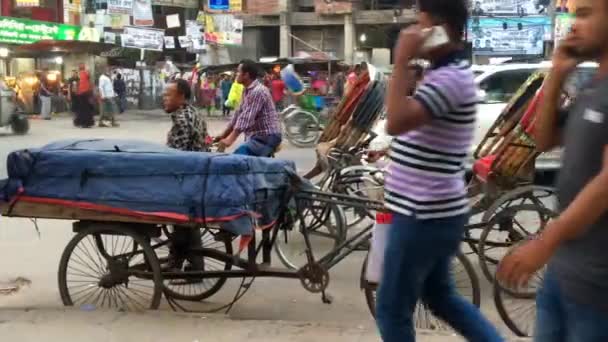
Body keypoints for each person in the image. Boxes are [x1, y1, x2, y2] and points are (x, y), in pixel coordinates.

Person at [375, 0, 503, 341]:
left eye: (421, 25)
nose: (414, 34)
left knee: (391, 308)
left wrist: (401, 60)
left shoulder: (451, 79)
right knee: (440, 297)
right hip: (431, 210)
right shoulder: (444, 73)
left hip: (423, 212)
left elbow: (397, 122)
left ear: (440, 28)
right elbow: (418, 133)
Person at [497, 0, 608, 340]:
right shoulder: (592, 88)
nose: (574, 25)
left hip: (598, 292)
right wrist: (557, 74)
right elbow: (544, 140)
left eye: (586, 14)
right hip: (562, 276)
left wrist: (546, 241)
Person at [163, 79, 210, 272]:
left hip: (188, 178)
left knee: (179, 217)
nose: (165, 98)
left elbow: (176, 156)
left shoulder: (182, 119)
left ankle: (176, 259)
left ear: (181, 97)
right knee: (188, 222)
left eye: (169, 95)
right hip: (198, 176)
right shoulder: (193, 113)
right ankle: (194, 264)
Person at [216, 59, 282, 157]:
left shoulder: (258, 91)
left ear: (246, 75)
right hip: (256, 136)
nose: (236, 74)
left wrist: (230, 140)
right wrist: (223, 135)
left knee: (238, 158)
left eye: (238, 72)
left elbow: (246, 118)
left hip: (266, 136)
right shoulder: (246, 90)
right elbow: (238, 115)